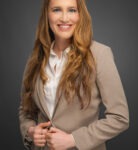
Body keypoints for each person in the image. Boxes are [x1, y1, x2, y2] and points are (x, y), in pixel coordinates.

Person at [19, 0, 129, 150]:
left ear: (80, 15)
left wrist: (73, 140)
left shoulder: (99, 54)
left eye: (71, 10)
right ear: (47, 14)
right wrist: (30, 131)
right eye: (57, 10)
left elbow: (119, 118)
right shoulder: (36, 58)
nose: (65, 18)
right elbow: (26, 110)